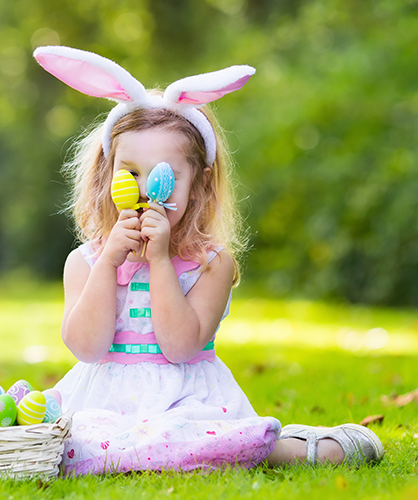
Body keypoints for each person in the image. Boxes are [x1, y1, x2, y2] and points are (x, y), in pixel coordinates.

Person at [33, 46, 384, 475]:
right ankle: (156, 454)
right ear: (107, 175)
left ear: (196, 185)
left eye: (163, 176)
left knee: (189, 437)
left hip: (185, 400)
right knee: (65, 441)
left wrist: (160, 262)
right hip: (103, 400)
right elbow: (86, 347)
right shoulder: (85, 261)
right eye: (130, 173)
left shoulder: (210, 264)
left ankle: (303, 447)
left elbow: (181, 346)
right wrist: (108, 264)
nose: (145, 191)